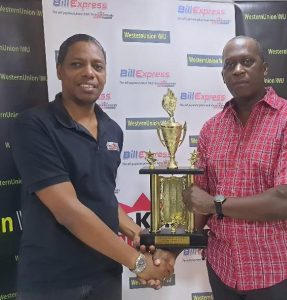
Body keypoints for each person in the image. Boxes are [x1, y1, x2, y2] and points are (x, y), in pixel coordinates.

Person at [11, 34, 176, 300]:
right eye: (77, 64)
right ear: (59, 70)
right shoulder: (33, 126)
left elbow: (102, 197)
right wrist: (139, 263)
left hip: (105, 276)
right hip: (52, 282)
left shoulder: (112, 130)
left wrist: (138, 233)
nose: (89, 72)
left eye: (97, 66)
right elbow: (68, 210)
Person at [182, 35, 287, 300]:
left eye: (247, 61)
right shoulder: (212, 129)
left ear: (264, 68)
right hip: (222, 268)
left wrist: (217, 205)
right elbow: (201, 199)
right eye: (229, 65)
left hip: (273, 272)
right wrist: (171, 247)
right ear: (223, 75)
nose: (238, 70)